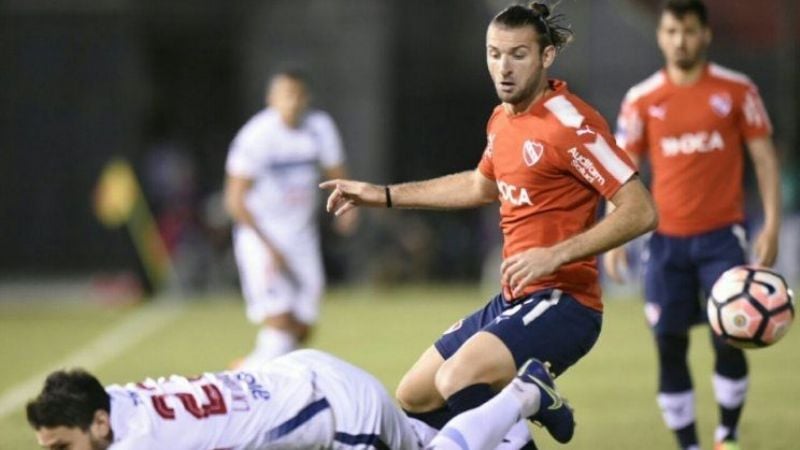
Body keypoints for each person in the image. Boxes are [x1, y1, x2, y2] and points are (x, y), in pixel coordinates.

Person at [321, 2, 658, 447]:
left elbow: (640, 209)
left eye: (518, 54)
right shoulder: (502, 118)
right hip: (512, 298)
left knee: (458, 379)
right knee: (415, 395)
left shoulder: (571, 126)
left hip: (565, 302)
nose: (503, 67)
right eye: (494, 53)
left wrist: (555, 254)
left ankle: (529, 396)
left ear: (546, 57)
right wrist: (382, 195)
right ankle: (530, 399)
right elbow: (482, 186)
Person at [605, 1, 782, 449]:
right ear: (661, 36)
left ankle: (728, 435)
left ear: (705, 34)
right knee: (669, 344)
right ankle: (689, 444)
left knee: (731, 336)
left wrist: (772, 226)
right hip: (664, 242)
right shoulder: (642, 98)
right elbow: (625, 168)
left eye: (688, 31)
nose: (679, 40)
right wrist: (613, 233)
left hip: (723, 237)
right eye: (671, 31)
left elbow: (764, 160)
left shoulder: (737, 91)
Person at [26, 349, 561, 450]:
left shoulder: (136, 443)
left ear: (98, 425)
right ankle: (505, 434)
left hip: (335, 411)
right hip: (296, 379)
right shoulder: (111, 400)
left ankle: (522, 395)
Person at [224, 69, 357, 370]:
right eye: (286, 94)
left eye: (298, 94)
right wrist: (269, 247)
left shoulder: (319, 128)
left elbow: (336, 172)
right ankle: (245, 380)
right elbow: (234, 199)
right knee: (279, 318)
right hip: (261, 237)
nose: (293, 102)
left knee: (303, 326)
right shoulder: (256, 136)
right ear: (271, 98)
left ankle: (249, 368)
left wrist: (349, 208)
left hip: (302, 238)